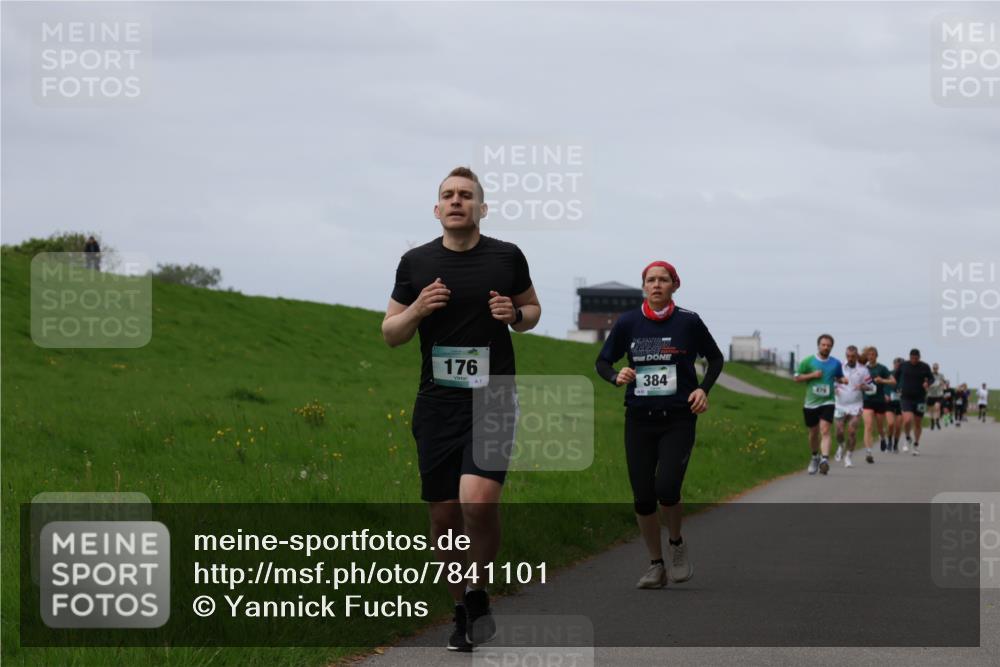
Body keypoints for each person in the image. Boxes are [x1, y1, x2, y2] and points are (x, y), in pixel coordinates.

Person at [382, 166, 541, 651]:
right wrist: (417, 310)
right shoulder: (414, 263)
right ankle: (462, 609)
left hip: (493, 397)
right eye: (448, 195)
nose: (457, 201)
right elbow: (391, 332)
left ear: (481, 208)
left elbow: (532, 310)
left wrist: (515, 315)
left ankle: (477, 587)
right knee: (444, 518)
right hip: (437, 404)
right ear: (437, 209)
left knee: (478, 500)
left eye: (466, 195)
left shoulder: (507, 256)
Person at [595, 260, 724, 589]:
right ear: (644, 287)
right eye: (650, 280)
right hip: (639, 419)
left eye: (663, 280)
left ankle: (677, 545)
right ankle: (655, 565)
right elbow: (603, 361)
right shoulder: (628, 323)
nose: (656, 285)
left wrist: (702, 389)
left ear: (674, 286)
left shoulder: (688, 322)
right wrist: (615, 375)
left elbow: (716, 358)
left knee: (666, 488)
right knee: (642, 497)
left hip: (678, 419)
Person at [794, 334, 848, 475]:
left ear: (831, 347)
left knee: (825, 430)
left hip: (828, 401)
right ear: (818, 345)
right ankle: (814, 457)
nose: (826, 347)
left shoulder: (836, 363)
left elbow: (838, 376)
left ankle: (824, 460)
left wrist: (843, 380)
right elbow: (796, 377)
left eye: (828, 345)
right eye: (823, 345)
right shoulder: (808, 361)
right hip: (811, 403)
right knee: (813, 433)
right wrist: (812, 375)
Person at [893, 348, 935, 455]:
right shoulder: (904, 365)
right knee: (907, 420)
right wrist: (897, 387)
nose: (914, 360)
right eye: (912, 358)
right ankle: (907, 437)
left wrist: (928, 384)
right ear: (909, 357)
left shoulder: (924, 366)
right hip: (906, 397)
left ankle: (916, 445)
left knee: (917, 422)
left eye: (916, 358)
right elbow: (895, 377)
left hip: (920, 398)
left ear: (919, 357)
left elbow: (932, 378)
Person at [833, 345, 869, 468]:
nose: (850, 358)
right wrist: (834, 387)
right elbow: (831, 380)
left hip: (856, 405)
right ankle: (841, 445)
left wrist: (865, 387)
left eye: (853, 356)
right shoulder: (839, 367)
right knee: (839, 431)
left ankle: (848, 456)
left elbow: (872, 387)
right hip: (840, 404)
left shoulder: (863, 370)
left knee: (852, 431)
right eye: (848, 356)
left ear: (857, 356)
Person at [861, 346, 894, 460]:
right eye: (869, 355)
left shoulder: (882, 368)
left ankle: (882, 437)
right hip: (867, 401)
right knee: (868, 426)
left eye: (873, 354)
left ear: (876, 356)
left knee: (880, 427)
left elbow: (893, 381)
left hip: (879, 401)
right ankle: (868, 452)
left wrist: (882, 380)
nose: (871, 357)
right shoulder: (863, 369)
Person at [886, 358, 904, 453]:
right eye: (896, 364)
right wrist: (886, 395)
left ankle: (895, 444)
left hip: (901, 404)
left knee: (898, 426)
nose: (897, 366)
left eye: (900, 365)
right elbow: (884, 386)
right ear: (893, 364)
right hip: (890, 403)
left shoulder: (905, 376)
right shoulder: (889, 374)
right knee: (890, 424)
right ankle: (889, 441)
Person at [927, 363, 945, 430]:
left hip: (938, 394)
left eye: (936, 368)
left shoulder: (941, 375)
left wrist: (942, 384)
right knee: (931, 410)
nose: (935, 369)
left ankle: (937, 421)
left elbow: (943, 382)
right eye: (934, 368)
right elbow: (927, 383)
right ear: (932, 368)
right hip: (930, 394)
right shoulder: (929, 375)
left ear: (938, 368)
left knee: (937, 407)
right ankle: (932, 421)